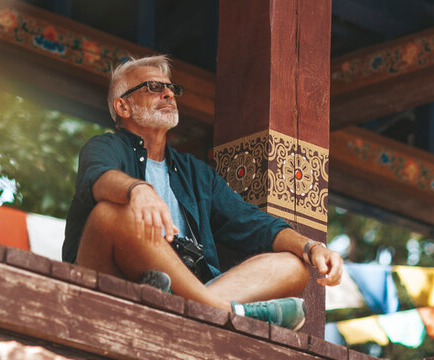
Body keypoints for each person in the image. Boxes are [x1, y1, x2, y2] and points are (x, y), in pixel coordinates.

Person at [63, 55, 343, 330]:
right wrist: (137, 189)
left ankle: (190, 307)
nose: (169, 94)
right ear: (123, 107)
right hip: (111, 284)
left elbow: (255, 224)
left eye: (172, 88)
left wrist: (312, 247)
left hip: (185, 291)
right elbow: (97, 179)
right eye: (154, 87)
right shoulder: (104, 146)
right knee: (112, 212)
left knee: (294, 266)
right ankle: (219, 312)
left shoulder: (195, 173)